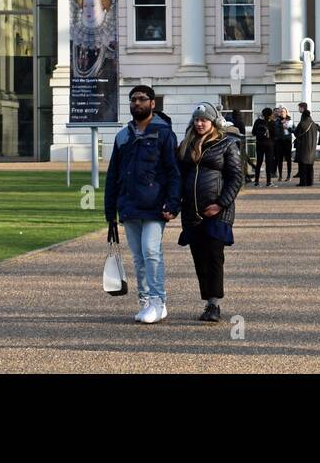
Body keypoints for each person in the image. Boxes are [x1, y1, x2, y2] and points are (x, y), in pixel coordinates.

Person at [104, 86, 181, 324]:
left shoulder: (164, 133)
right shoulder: (123, 136)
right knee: (138, 257)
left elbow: (173, 172)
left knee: (151, 252)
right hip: (129, 205)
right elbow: (113, 174)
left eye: (142, 99)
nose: (137, 103)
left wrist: (173, 202)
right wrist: (110, 210)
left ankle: (159, 301)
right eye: (133, 100)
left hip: (155, 205)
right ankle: (145, 301)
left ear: (152, 103)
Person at [176, 101, 244, 323]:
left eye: (204, 120)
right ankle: (207, 301)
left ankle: (214, 304)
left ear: (213, 122)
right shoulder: (186, 145)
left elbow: (235, 177)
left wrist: (221, 204)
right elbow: (178, 178)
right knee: (199, 258)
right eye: (196, 120)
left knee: (214, 256)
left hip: (217, 211)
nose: (199, 123)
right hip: (192, 212)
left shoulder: (226, 144)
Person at [294, 103, 318, 186]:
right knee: (310, 165)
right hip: (312, 147)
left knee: (302, 165)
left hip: (303, 146)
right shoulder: (314, 124)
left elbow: (296, 132)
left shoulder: (302, 123)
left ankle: (303, 182)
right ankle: (310, 182)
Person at [251, 107, 275, 187]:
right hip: (269, 145)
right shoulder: (272, 122)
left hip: (259, 144)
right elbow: (275, 134)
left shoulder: (257, 121)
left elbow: (253, 132)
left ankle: (256, 182)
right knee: (268, 163)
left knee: (259, 163)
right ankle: (268, 182)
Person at [272, 106, 294, 181]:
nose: (281, 113)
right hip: (279, 141)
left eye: (283, 112)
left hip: (287, 141)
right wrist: (281, 124)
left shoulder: (290, 120)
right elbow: (275, 130)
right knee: (279, 159)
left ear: (286, 113)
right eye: (280, 112)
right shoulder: (277, 121)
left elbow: (294, 130)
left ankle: (288, 175)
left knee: (288, 159)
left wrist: (288, 127)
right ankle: (280, 175)